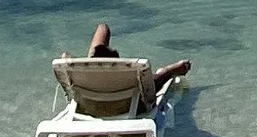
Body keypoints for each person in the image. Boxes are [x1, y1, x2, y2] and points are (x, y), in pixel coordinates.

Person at [62, 22, 192, 96]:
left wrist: (87, 61)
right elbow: (152, 86)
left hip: (90, 102)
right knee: (155, 79)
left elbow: (65, 56)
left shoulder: (81, 79)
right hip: (124, 105)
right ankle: (173, 70)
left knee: (103, 27)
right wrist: (169, 71)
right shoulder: (127, 81)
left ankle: (94, 60)